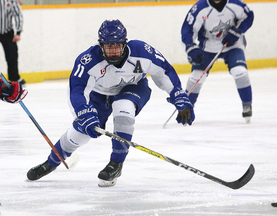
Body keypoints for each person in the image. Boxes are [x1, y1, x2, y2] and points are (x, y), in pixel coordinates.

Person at [27, 19, 195, 187]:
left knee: (123, 108)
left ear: (125, 43)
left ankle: (116, 163)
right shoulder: (88, 60)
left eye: (117, 46)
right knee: (80, 134)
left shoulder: (141, 51)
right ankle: (51, 162)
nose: (113, 51)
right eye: (109, 47)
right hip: (99, 96)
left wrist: (177, 93)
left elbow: (163, 70)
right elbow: (77, 89)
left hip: (134, 88)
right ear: (101, 46)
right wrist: (83, 112)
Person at [181, 0, 254, 123]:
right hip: (207, 47)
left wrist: (237, 31)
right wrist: (191, 48)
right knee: (197, 76)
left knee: (240, 72)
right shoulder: (199, 8)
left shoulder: (236, 4)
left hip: (233, 46)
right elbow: (188, 30)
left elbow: (249, 16)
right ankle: (186, 108)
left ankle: (247, 104)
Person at [0, 0, 25, 84]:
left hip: (7, 33)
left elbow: (18, 15)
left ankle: (14, 78)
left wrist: (18, 32)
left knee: (12, 56)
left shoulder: (11, 1)